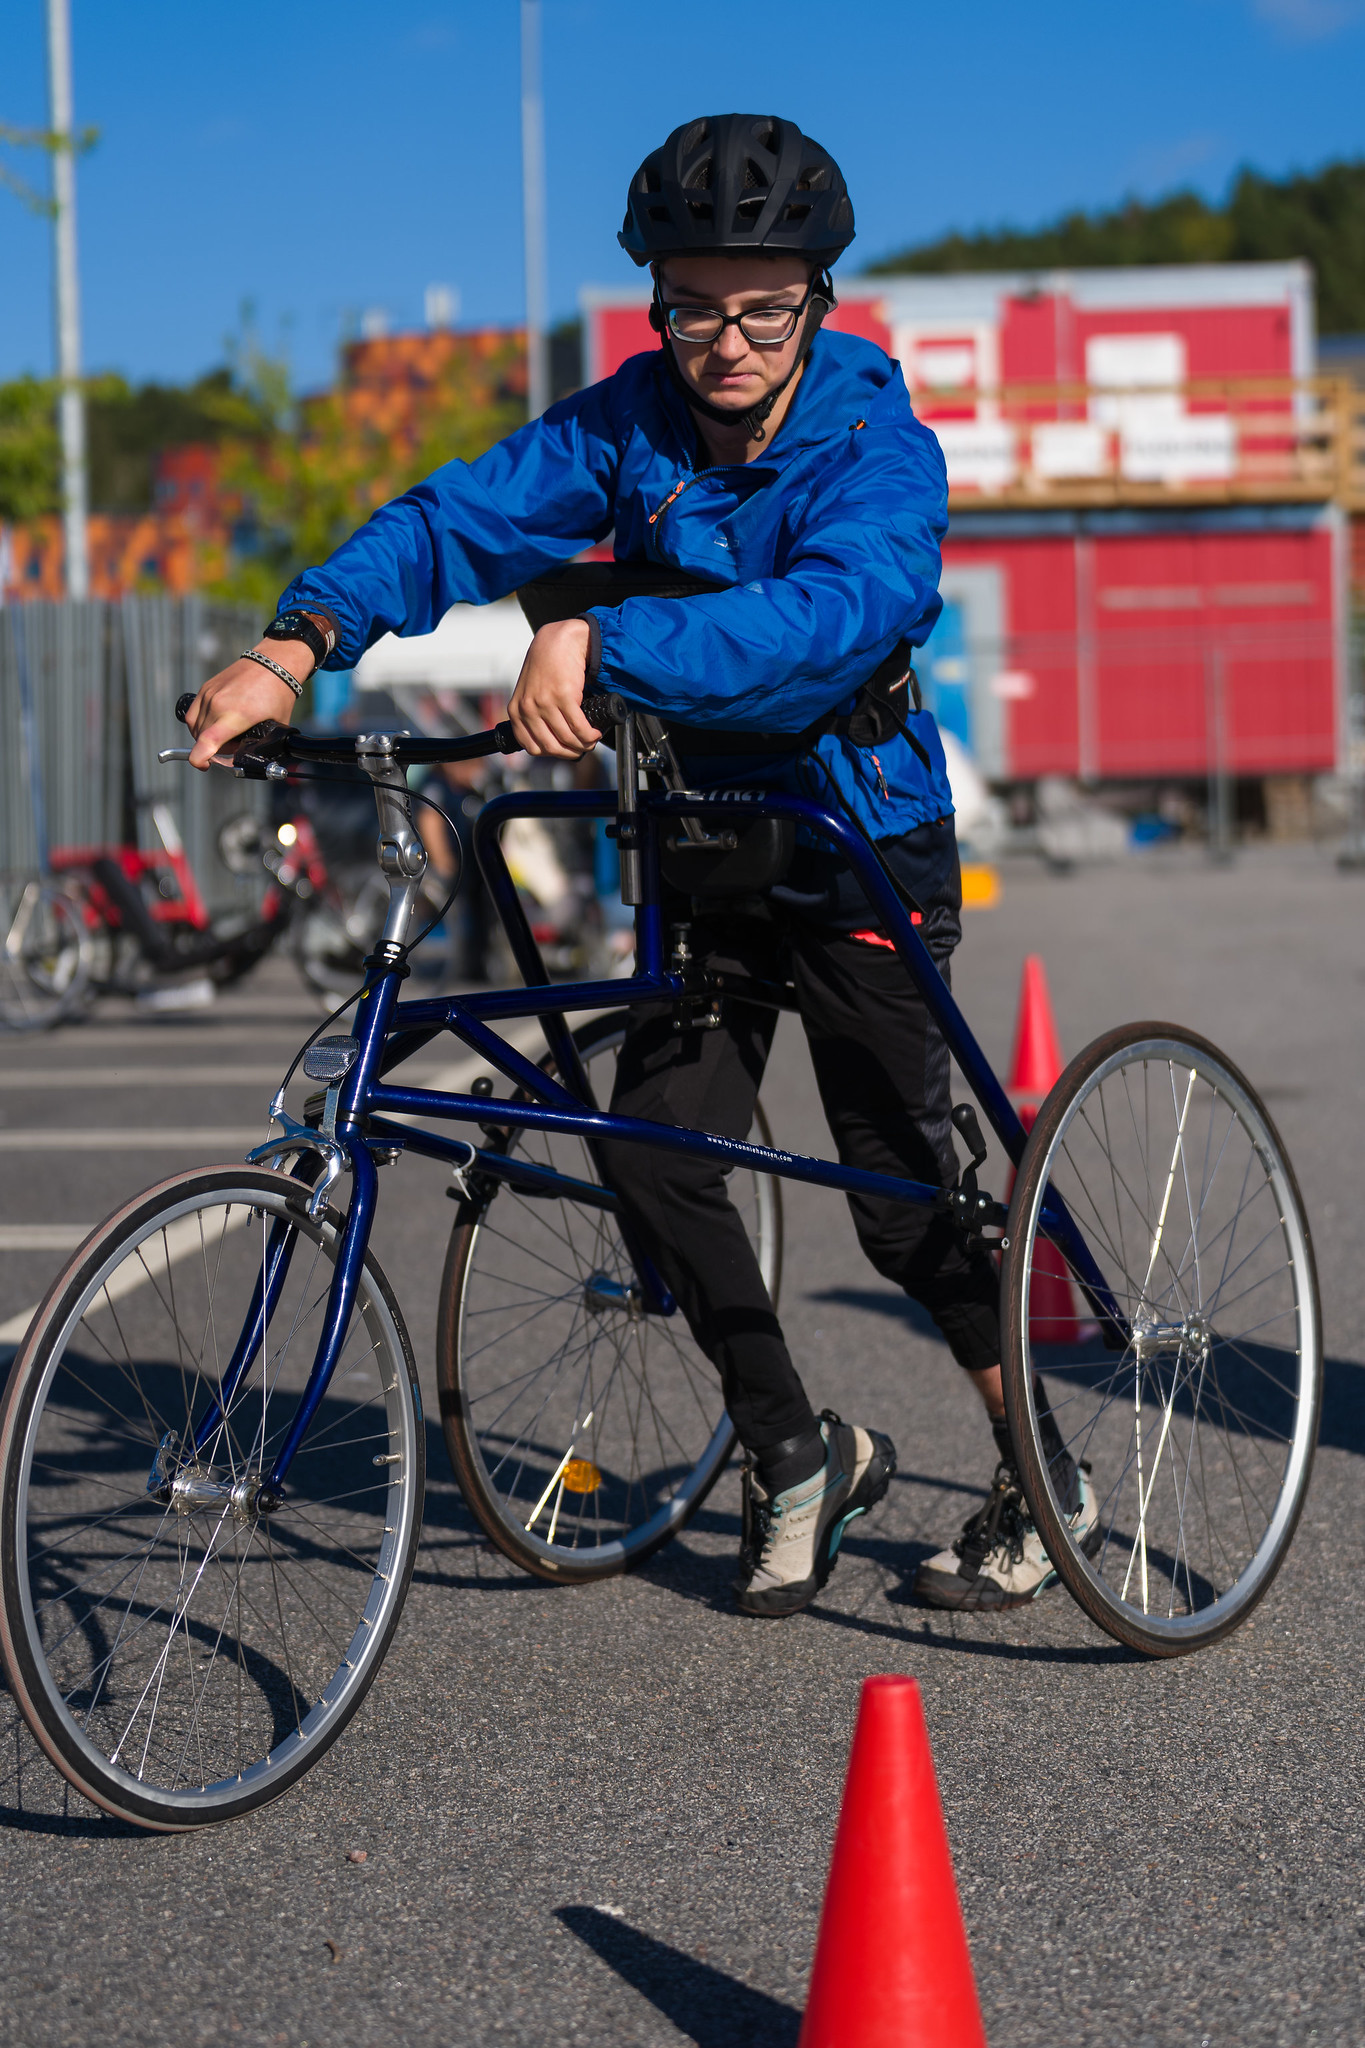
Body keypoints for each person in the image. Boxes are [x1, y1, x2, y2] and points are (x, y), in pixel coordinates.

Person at [184, 113, 1094, 1620]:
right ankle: (794, 1449)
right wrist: (295, 644)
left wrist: (611, 640)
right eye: (690, 304)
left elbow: (826, 620)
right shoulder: (626, 424)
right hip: (697, 843)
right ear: (654, 299)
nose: (724, 340)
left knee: (895, 1193)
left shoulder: (877, 447)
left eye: (761, 307)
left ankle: (1034, 1465)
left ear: (817, 300)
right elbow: (454, 521)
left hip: (854, 840)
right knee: (656, 1153)